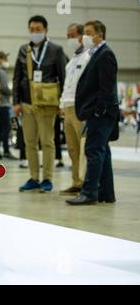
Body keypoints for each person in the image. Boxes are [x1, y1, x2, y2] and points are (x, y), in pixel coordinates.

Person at [66, 20, 120, 205]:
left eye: (88, 33)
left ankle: (89, 193)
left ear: (100, 34)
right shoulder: (97, 54)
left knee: (93, 151)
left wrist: (98, 111)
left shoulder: (105, 55)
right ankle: (106, 193)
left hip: (101, 113)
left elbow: (107, 88)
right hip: (99, 112)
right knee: (103, 153)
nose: (85, 37)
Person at [12, 15, 67, 192]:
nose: (35, 32)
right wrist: (16, 102)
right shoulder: (23, 50)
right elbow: (16, 78)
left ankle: (47, 178)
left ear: (46, 30)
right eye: (32, 29)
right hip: (26, 104)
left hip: (47, 105)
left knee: (47, 142)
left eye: (38, 29)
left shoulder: (56, 50)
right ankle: (34, 177)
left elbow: (63, 77)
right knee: (29, 143)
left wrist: (62, 104)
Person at [59, 23, 91, 195]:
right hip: (68, 108)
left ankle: (86, 183)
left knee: (83, 148)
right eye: (68, 36)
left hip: (80, 108)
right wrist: (62, 104)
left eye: (73, 35)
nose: (70, 39)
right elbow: (67, 84)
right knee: (72, 148)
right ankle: (76, 181)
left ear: (81, 37)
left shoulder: (88, 57)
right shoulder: (71, 60)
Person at [0, 51, 16, 159]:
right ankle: (5, 150)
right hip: (4, 104)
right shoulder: (1, 72)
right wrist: (13, 92)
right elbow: (4, 88)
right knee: (6, 128)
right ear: (1, 59)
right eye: (5, 59)